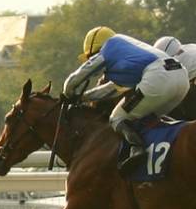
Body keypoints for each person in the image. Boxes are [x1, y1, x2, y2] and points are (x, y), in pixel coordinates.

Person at [58, 27, 189, 175]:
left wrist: (68, 92)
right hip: (182, 78)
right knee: (147, 119)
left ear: (96, 49)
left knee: (117, 117)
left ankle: (137, 149)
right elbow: (111, 90)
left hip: (158, 79)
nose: (90, 59)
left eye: (90, 56)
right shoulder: (127, 55)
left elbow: (79, 75)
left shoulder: (108, 48)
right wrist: (82, 97)